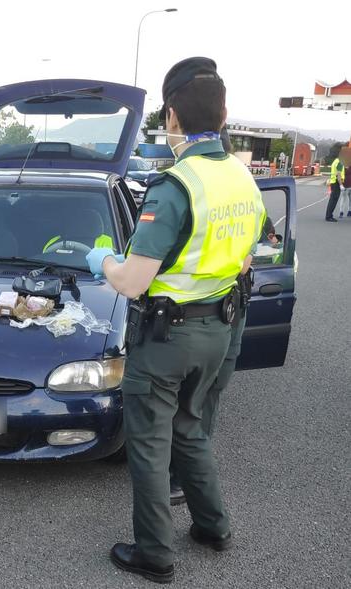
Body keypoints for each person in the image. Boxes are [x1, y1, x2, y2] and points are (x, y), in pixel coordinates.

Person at [86, 57, 265, 584]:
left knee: (149, 442)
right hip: (219, 330)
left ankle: (154, 554)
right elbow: (247, 259)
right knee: (191, 428)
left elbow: (133, 281)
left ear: (172, 118)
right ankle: (213, 526)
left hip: (166, 338)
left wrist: (102, 262)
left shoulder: (175, 186)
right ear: (225, 113)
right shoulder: (242, 178)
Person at [168, 126, 259, 507]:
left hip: (206, 312)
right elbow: (250, 252)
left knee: (195, 398)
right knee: (204, 395)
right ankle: (192, 488)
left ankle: (182, 477)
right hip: (227, 308)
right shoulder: (244, 183)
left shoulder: (188, 185)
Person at [325, 154, 346, 222]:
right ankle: (329, 216)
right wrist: (341, 185)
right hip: (336, 183)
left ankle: (328, 215)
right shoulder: (340, 162)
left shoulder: (335, 161)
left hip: (334, 182)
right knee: (333, 200)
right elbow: (338, 174)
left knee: (332, 200)